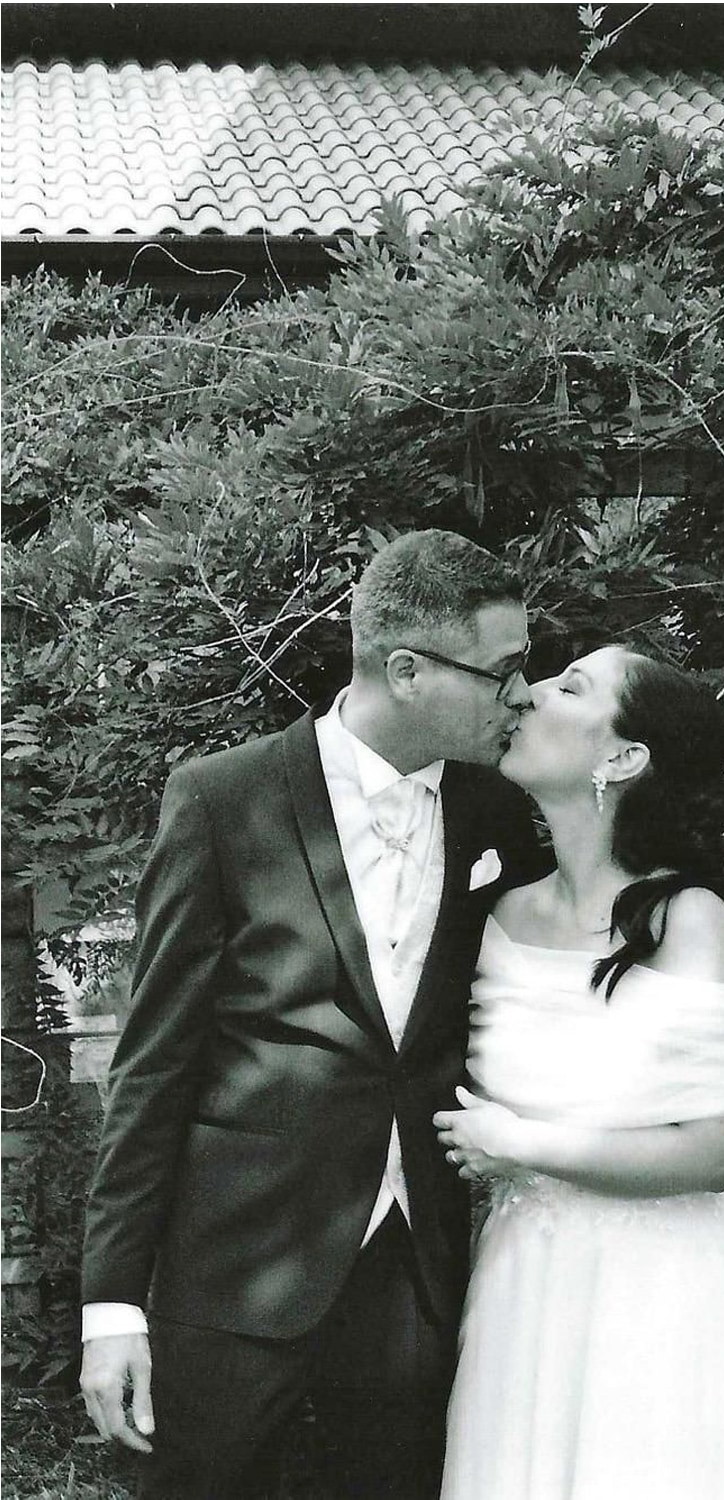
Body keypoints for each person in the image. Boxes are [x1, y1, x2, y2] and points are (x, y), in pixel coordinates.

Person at [79, 529, 549, 1500]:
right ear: (408, 671)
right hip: (238, 1265)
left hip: (414, 1268)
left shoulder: (497, 813)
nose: (522, 695)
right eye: (501, 671)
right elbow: (153, 1063)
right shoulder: (222, 800)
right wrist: (112, 1303)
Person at [434, 645, 724, 1500]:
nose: (529, 692)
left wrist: (521, 1144)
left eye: (571, 687)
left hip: (668, 1292)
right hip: (528, 1283)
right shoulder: (499, 912)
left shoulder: (691, 921)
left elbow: (714, 1153)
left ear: (624, 757)